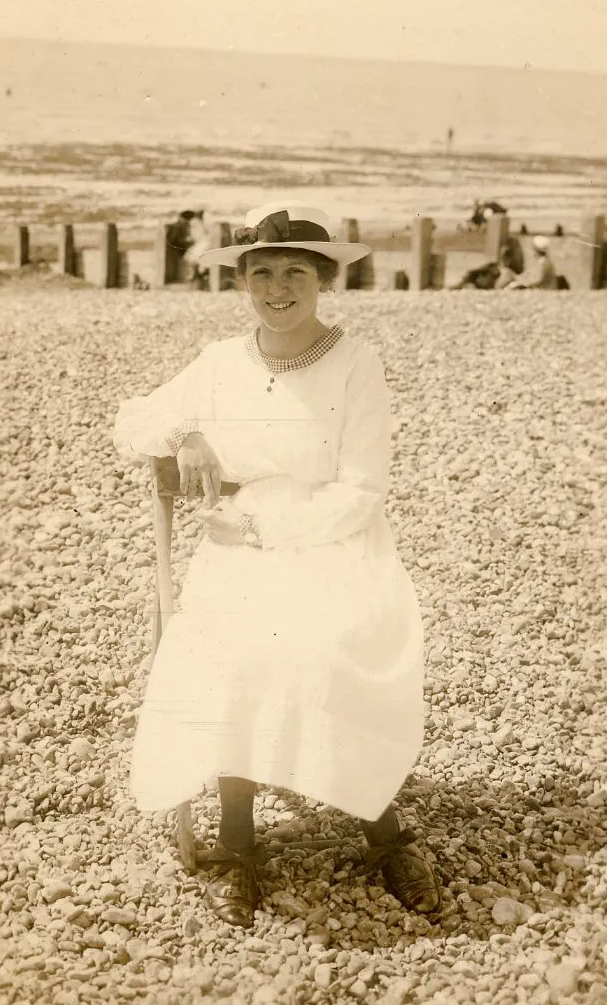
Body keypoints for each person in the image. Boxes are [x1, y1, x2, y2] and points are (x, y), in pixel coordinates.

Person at [113, 201, 442, 929]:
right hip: (234, 550)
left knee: (326, 652)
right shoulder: (219, 362)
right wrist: (186, 431)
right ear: (243, 282)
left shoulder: (355, 364)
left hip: (334, 544)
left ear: (324, 279)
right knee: (234, 658)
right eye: (262, 272)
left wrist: (264, 526)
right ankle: (239, 844)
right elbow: (131, 419)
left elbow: (363, 491)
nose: (278, 288)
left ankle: (385, 832)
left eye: (296, 271)